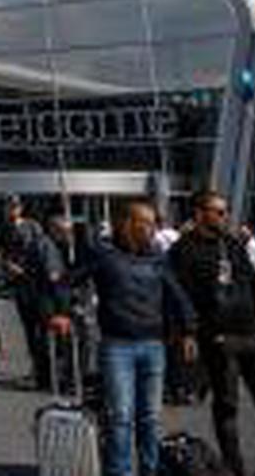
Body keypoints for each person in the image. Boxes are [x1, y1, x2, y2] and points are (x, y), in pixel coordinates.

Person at [64, 200, 196, 476]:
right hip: (117, 346)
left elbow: (178, 296)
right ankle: (120, 471)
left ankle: (150, 469)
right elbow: (67, 282)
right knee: (121, 417)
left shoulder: (159, 260)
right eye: (144, 222)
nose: (151, 228)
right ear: (126, 223)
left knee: (150, 416)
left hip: (154, 345)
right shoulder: (103, 255)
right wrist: (61, 312)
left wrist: (188, 331)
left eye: (152, 223)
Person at [169, 189, 255, 476]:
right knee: (227, 409)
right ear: (200, 213)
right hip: (220, 341)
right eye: (219, 212)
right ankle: (235, 469)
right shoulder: (183, 250)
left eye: (225, 211)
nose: (225, 217)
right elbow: (180, 296)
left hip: (252, 338)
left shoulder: (232, 244)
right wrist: (191, 333)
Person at [0, 199, 68, 390]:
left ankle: (46, 371)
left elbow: (39, 253)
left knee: (42, 330)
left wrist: (24, 269)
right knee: (30, 329)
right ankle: (38, 368)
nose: (11, 210)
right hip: (21, 284)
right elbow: (2, 253)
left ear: (21, 208)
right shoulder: (4, 229)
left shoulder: (32, 227)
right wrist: (7, 266)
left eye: (15, 206)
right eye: (8, 206)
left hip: (35, 282)